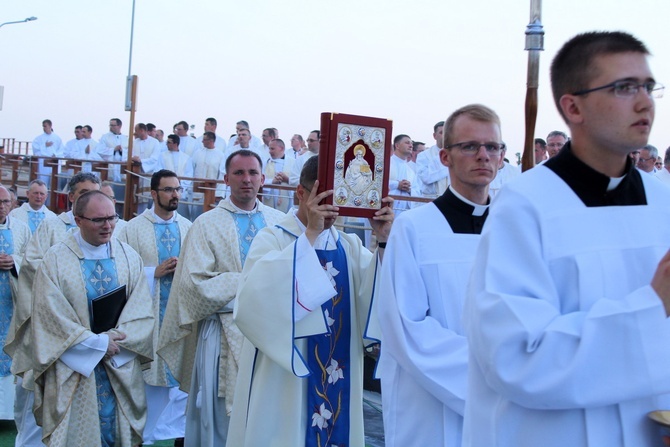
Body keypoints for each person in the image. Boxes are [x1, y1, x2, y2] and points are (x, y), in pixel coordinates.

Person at [463, 31, 670, 447]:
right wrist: (652, 307)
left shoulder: (664, 201)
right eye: (624, 88)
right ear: (572, 106)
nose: (645, 102)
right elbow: (516, 356)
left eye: (648, 87)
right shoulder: (524, 207)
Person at [228, 155, 394, 447]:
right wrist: (311, 235)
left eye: (336, 199)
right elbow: (252, 304)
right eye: (322, 198)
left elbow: (377, 300)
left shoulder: (349, 245)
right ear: (301, 193)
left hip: (340, 375)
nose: (330, 209)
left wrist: (383, 241)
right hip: (287, 385)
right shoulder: (273, 239)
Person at [377, 104, 503, 447]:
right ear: (445, 157)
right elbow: (407, 326)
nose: (483, 156)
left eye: (492, 147)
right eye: (470, 146)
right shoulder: (413, 228)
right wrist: (492, 376)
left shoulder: (512, 231)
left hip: (504, 403)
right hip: (431, 403)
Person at [157, 150, 285, 447]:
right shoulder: (206, 224)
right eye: (239, 173)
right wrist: (257, 285)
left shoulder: (280, 223)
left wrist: (248, 286)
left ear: (263, 179)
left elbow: (290, 278)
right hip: (221, 336)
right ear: (226, 179)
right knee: (219, 420)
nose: (246, 179)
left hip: (270, 335)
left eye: (253, 173)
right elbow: (195, 287)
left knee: (267, 413)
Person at [31, 190, 153, 446]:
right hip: (74, 370)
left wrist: (112, 341)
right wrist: (97, 344)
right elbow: (50, 317)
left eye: (112, 217)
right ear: (78, 220)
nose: (108, 225)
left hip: (118, 363)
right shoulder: (55, 259)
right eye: (99, 220)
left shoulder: (129, 257)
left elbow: (141, 312)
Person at [6, 172, 101, 447]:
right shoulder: (52, 228)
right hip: (52, 332)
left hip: (89, 336)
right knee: (40, 406)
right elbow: (31, 267)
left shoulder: (108, 232)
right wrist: (68, 281)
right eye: (84, 193)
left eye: (96, 193)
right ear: (71, 197)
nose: (91, 199)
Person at [117, 170, 192, 445]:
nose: (175, 195)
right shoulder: (132, 229)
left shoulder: (189, 226)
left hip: (180, 320)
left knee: (182, 386)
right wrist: (153, 273)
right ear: (153, 194)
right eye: (169, 190)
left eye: (178, 189)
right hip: (148, 320)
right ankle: (142, 437)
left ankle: (179, 438)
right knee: (146, 386)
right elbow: (120, 273)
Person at [0, 186, 31, 421]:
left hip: (11, 304)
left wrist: (14, 261)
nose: (2, 206)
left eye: (6, 202)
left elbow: (30, 261)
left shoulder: (21, 229)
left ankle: (6, 412)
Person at [416, 121, 449, 197]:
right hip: (431, 199)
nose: (445, 136)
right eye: (441, 133)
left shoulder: (456, 155)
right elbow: (426, 177)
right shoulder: (424, 155)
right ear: (434, 136)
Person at [389, 134, 419, 215]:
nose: (411, 146)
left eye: (411, 144)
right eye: (407, 143)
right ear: (397, 145)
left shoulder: (411, 171)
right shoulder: (386, 164)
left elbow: (417, 191)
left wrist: (409, 189)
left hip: (403, 212)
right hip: (386, 209)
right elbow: (377, 183)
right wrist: (397, 184)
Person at [262, 138, 294, 212]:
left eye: (272, 149)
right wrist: (272, 181)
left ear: (281, 148)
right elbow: (260, 180)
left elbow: (298, 180)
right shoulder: (265, 163)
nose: (270, 151)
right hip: (270, 200)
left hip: (287, 199)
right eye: (269, 149)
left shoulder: (293, 162)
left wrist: (287, 179)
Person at [31, 119, 64, 185]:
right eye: (43, 126)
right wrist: (44, 146)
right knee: (43, 180)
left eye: (45, 126)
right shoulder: (39, 138)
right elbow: (36, 150)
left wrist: (55, 155)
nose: (44, 128)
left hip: (54, 162)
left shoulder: (57, 138)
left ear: (50, 126)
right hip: (43, 163)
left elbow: (61, 150)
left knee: (53, 181)